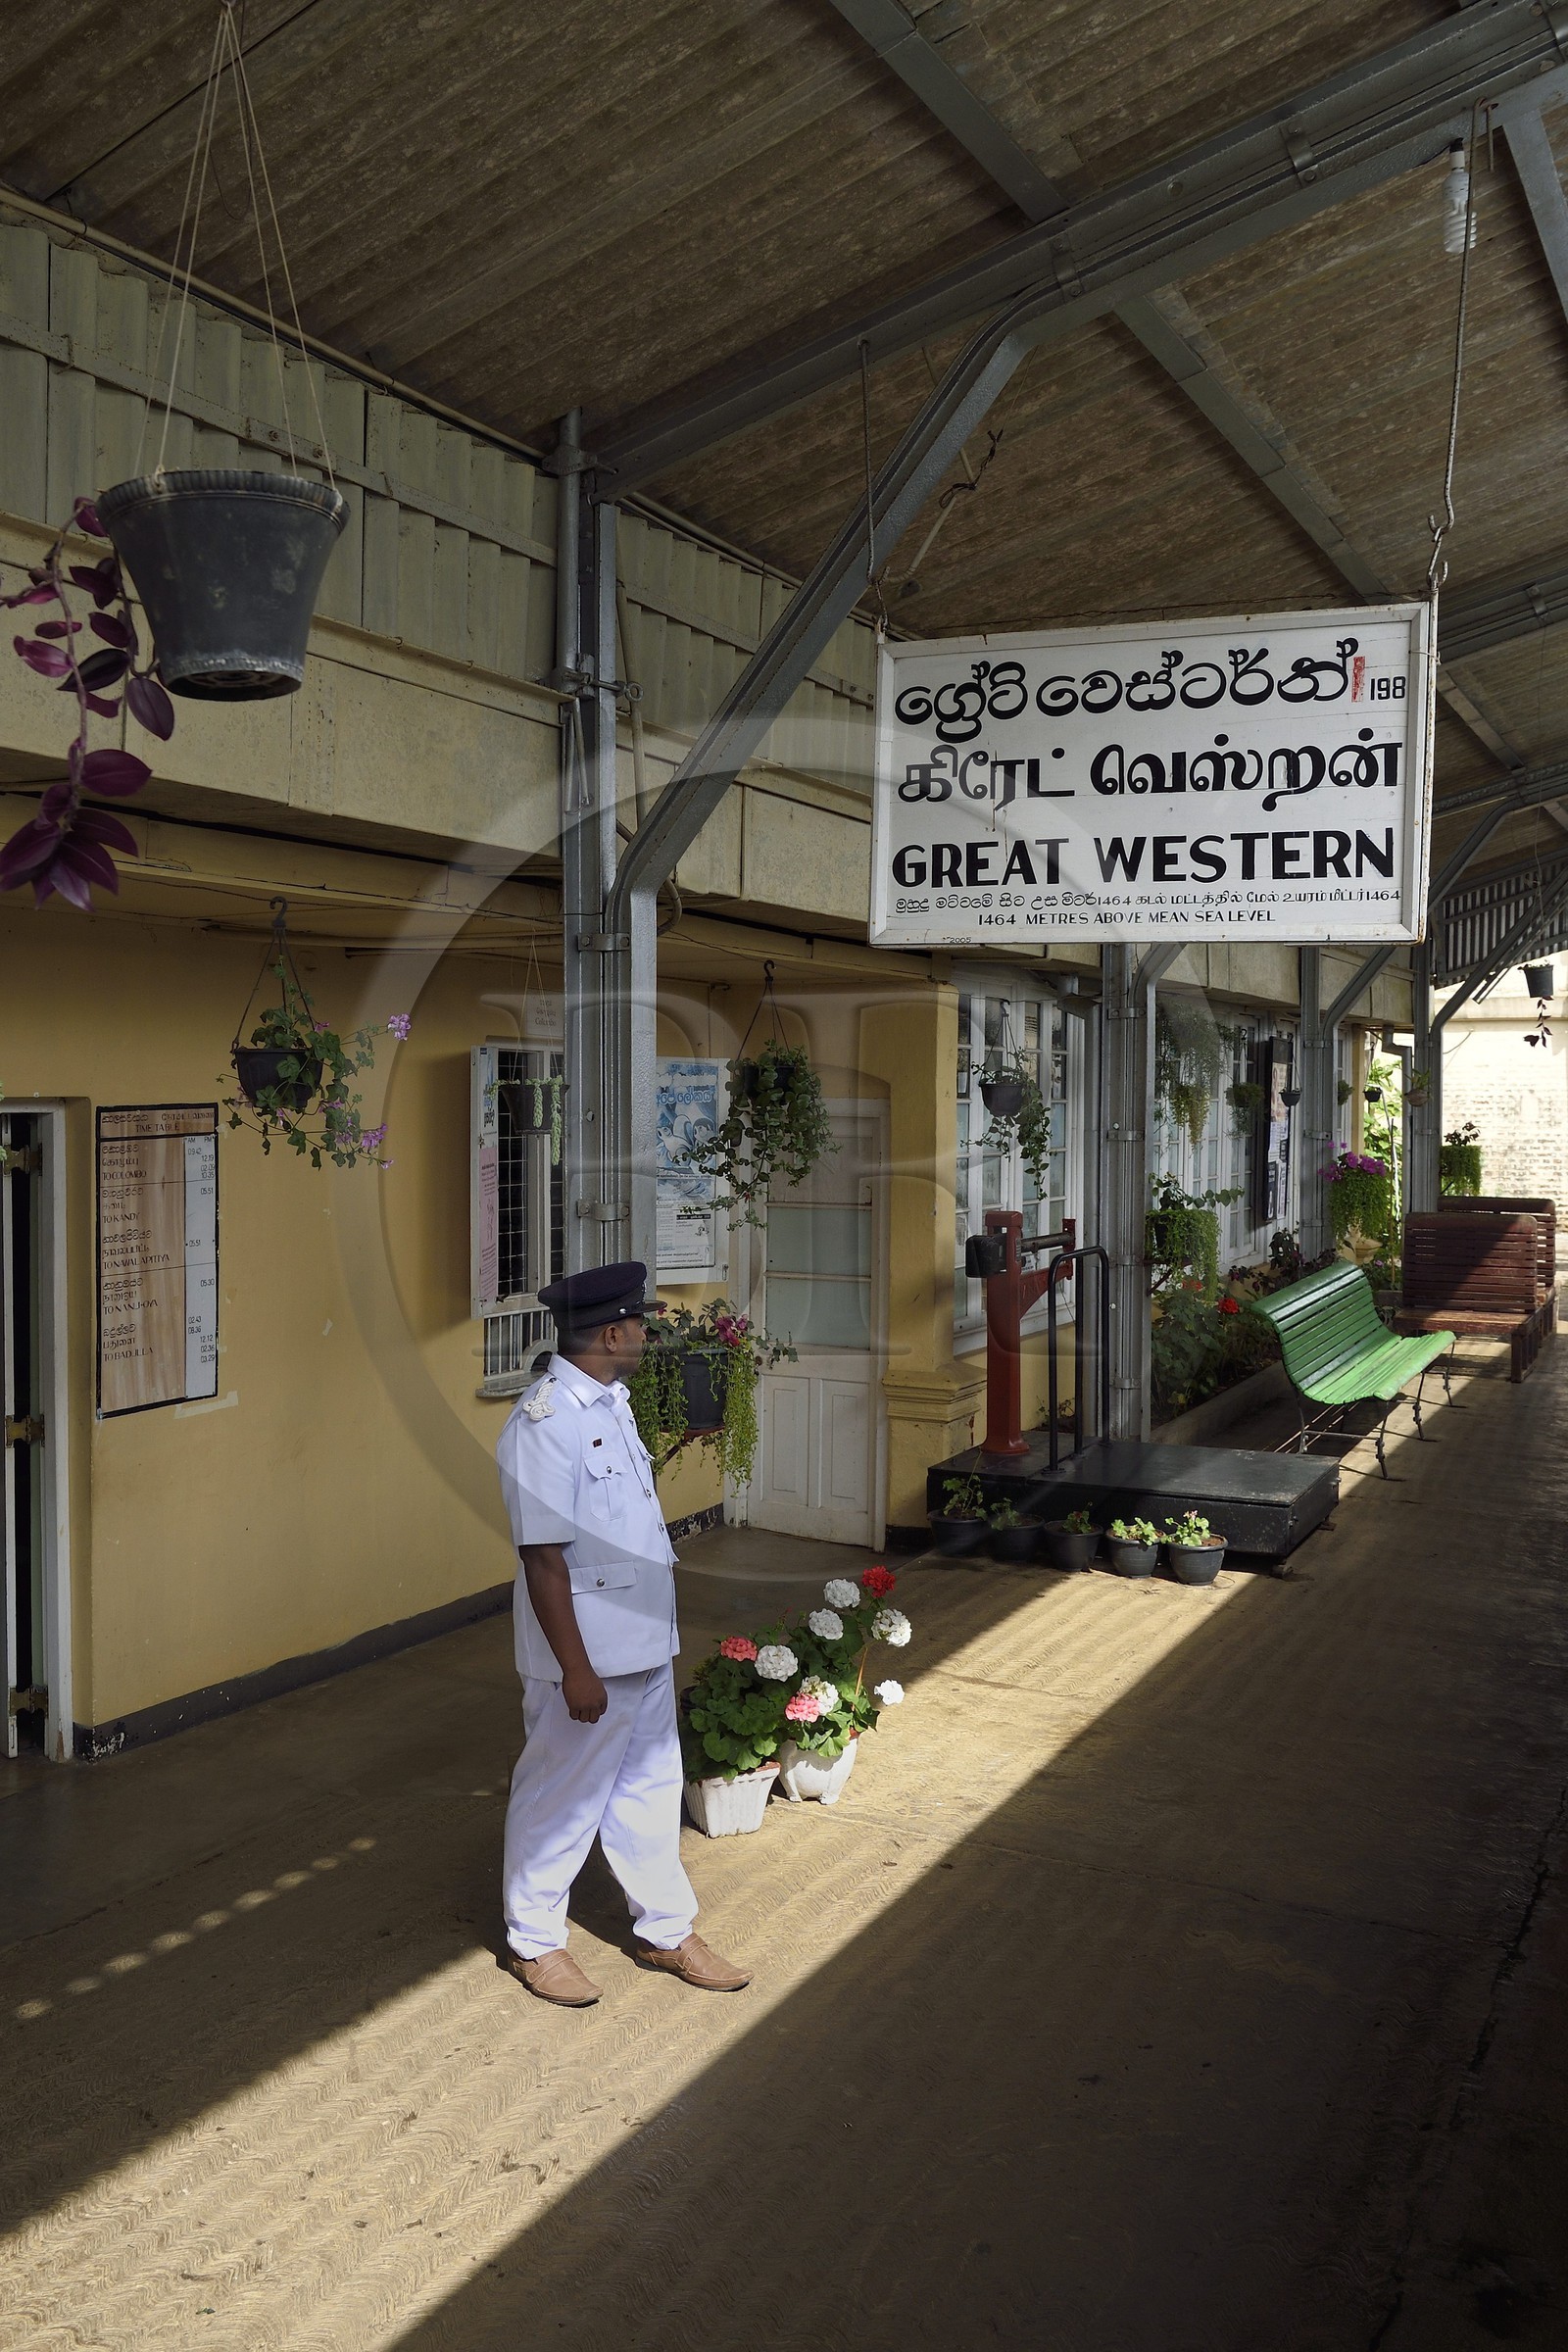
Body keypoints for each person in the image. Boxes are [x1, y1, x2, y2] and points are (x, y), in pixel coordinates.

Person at [496, 1260, 752, 2007]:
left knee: (650, 1791)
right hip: (586, 1657)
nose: (645, 1333)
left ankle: (665, 1930)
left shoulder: (612, 1404)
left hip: (641, 1644)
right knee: (560, 1798)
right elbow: (543, 1558)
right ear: (611, 1334)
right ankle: (534, 1942)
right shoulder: (546, 1423)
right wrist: (576, 1669)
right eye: (639, 1323)